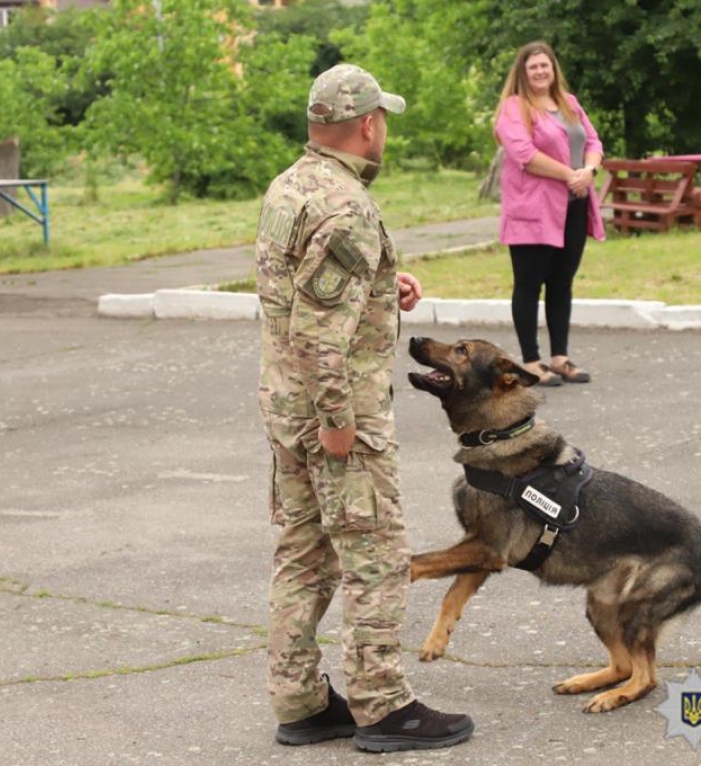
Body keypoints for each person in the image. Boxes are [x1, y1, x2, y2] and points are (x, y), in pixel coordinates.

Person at [255, 63, 475, 753]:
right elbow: (319, 330)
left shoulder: (291, 185)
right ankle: (381, 705)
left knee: (303, 556)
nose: (384, 132)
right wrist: (338, 419)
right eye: (383, 121)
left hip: (286, 409)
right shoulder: (345, 203)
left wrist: (385, 283)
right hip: (332, 415)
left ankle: (300, 700)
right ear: (366, 123)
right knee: (374, 553)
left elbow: (298, 292)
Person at [494, 41, 606, 387]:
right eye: (533, 67)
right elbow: (524, 154)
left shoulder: (569, 104)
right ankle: (530, 361)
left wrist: (588, 171)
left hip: (573, 207)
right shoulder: (514, 109)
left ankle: (559, 357)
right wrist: (570, 175)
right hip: (534, 210)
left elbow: (593, 142)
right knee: (529, 285)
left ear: (553, 68)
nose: (541, 71)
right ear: (523, 73)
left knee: (562, 282)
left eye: (545, 65)